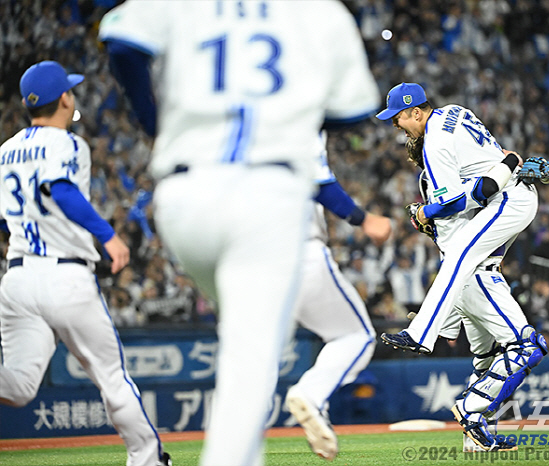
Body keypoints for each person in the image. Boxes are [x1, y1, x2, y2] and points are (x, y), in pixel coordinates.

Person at [98, 1, 380, 464]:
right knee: (252, 361)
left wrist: (155, 120)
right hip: (266, 201)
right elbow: (354, 111)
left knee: (248, 347)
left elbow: (122, 41)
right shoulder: (319, 13)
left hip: (183, 198)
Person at [0, 61, 170, 466]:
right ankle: (148, 460)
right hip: (65, 276)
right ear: (65, 98)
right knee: (112, 378)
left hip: (19, 277)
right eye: (70, 90)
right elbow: (61, 190)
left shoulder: (4, 151)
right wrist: (108, 235)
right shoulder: (69, 144)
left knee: (19, 385)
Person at [399, 133, 548, 452]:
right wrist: (512, 166)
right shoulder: (444, 175)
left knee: (486, 360)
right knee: (527, 346)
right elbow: (481, 193)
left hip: (465, 278)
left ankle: (474, 439)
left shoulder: (441, 174)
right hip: (477, 276)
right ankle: (470, 411)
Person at [286, 134, 391, 459]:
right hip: (297, 250)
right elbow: (318, 181)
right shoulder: (297, 114)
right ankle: (311, 395)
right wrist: (364, 219)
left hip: (245, 261)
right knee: (355, 335)